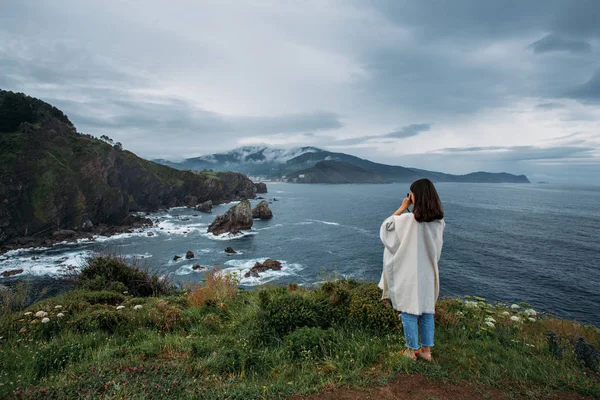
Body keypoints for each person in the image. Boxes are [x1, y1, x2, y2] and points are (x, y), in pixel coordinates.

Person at [379, 178, 445, 361]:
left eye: (411, 193)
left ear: (415, 196)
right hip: (428, 272)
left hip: (409, 272)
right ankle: (426, 352)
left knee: (408, 310)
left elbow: (386, 229)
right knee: (426, 310)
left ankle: (411, 351)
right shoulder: (439, 222)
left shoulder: (407, 220)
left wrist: (402, 207)